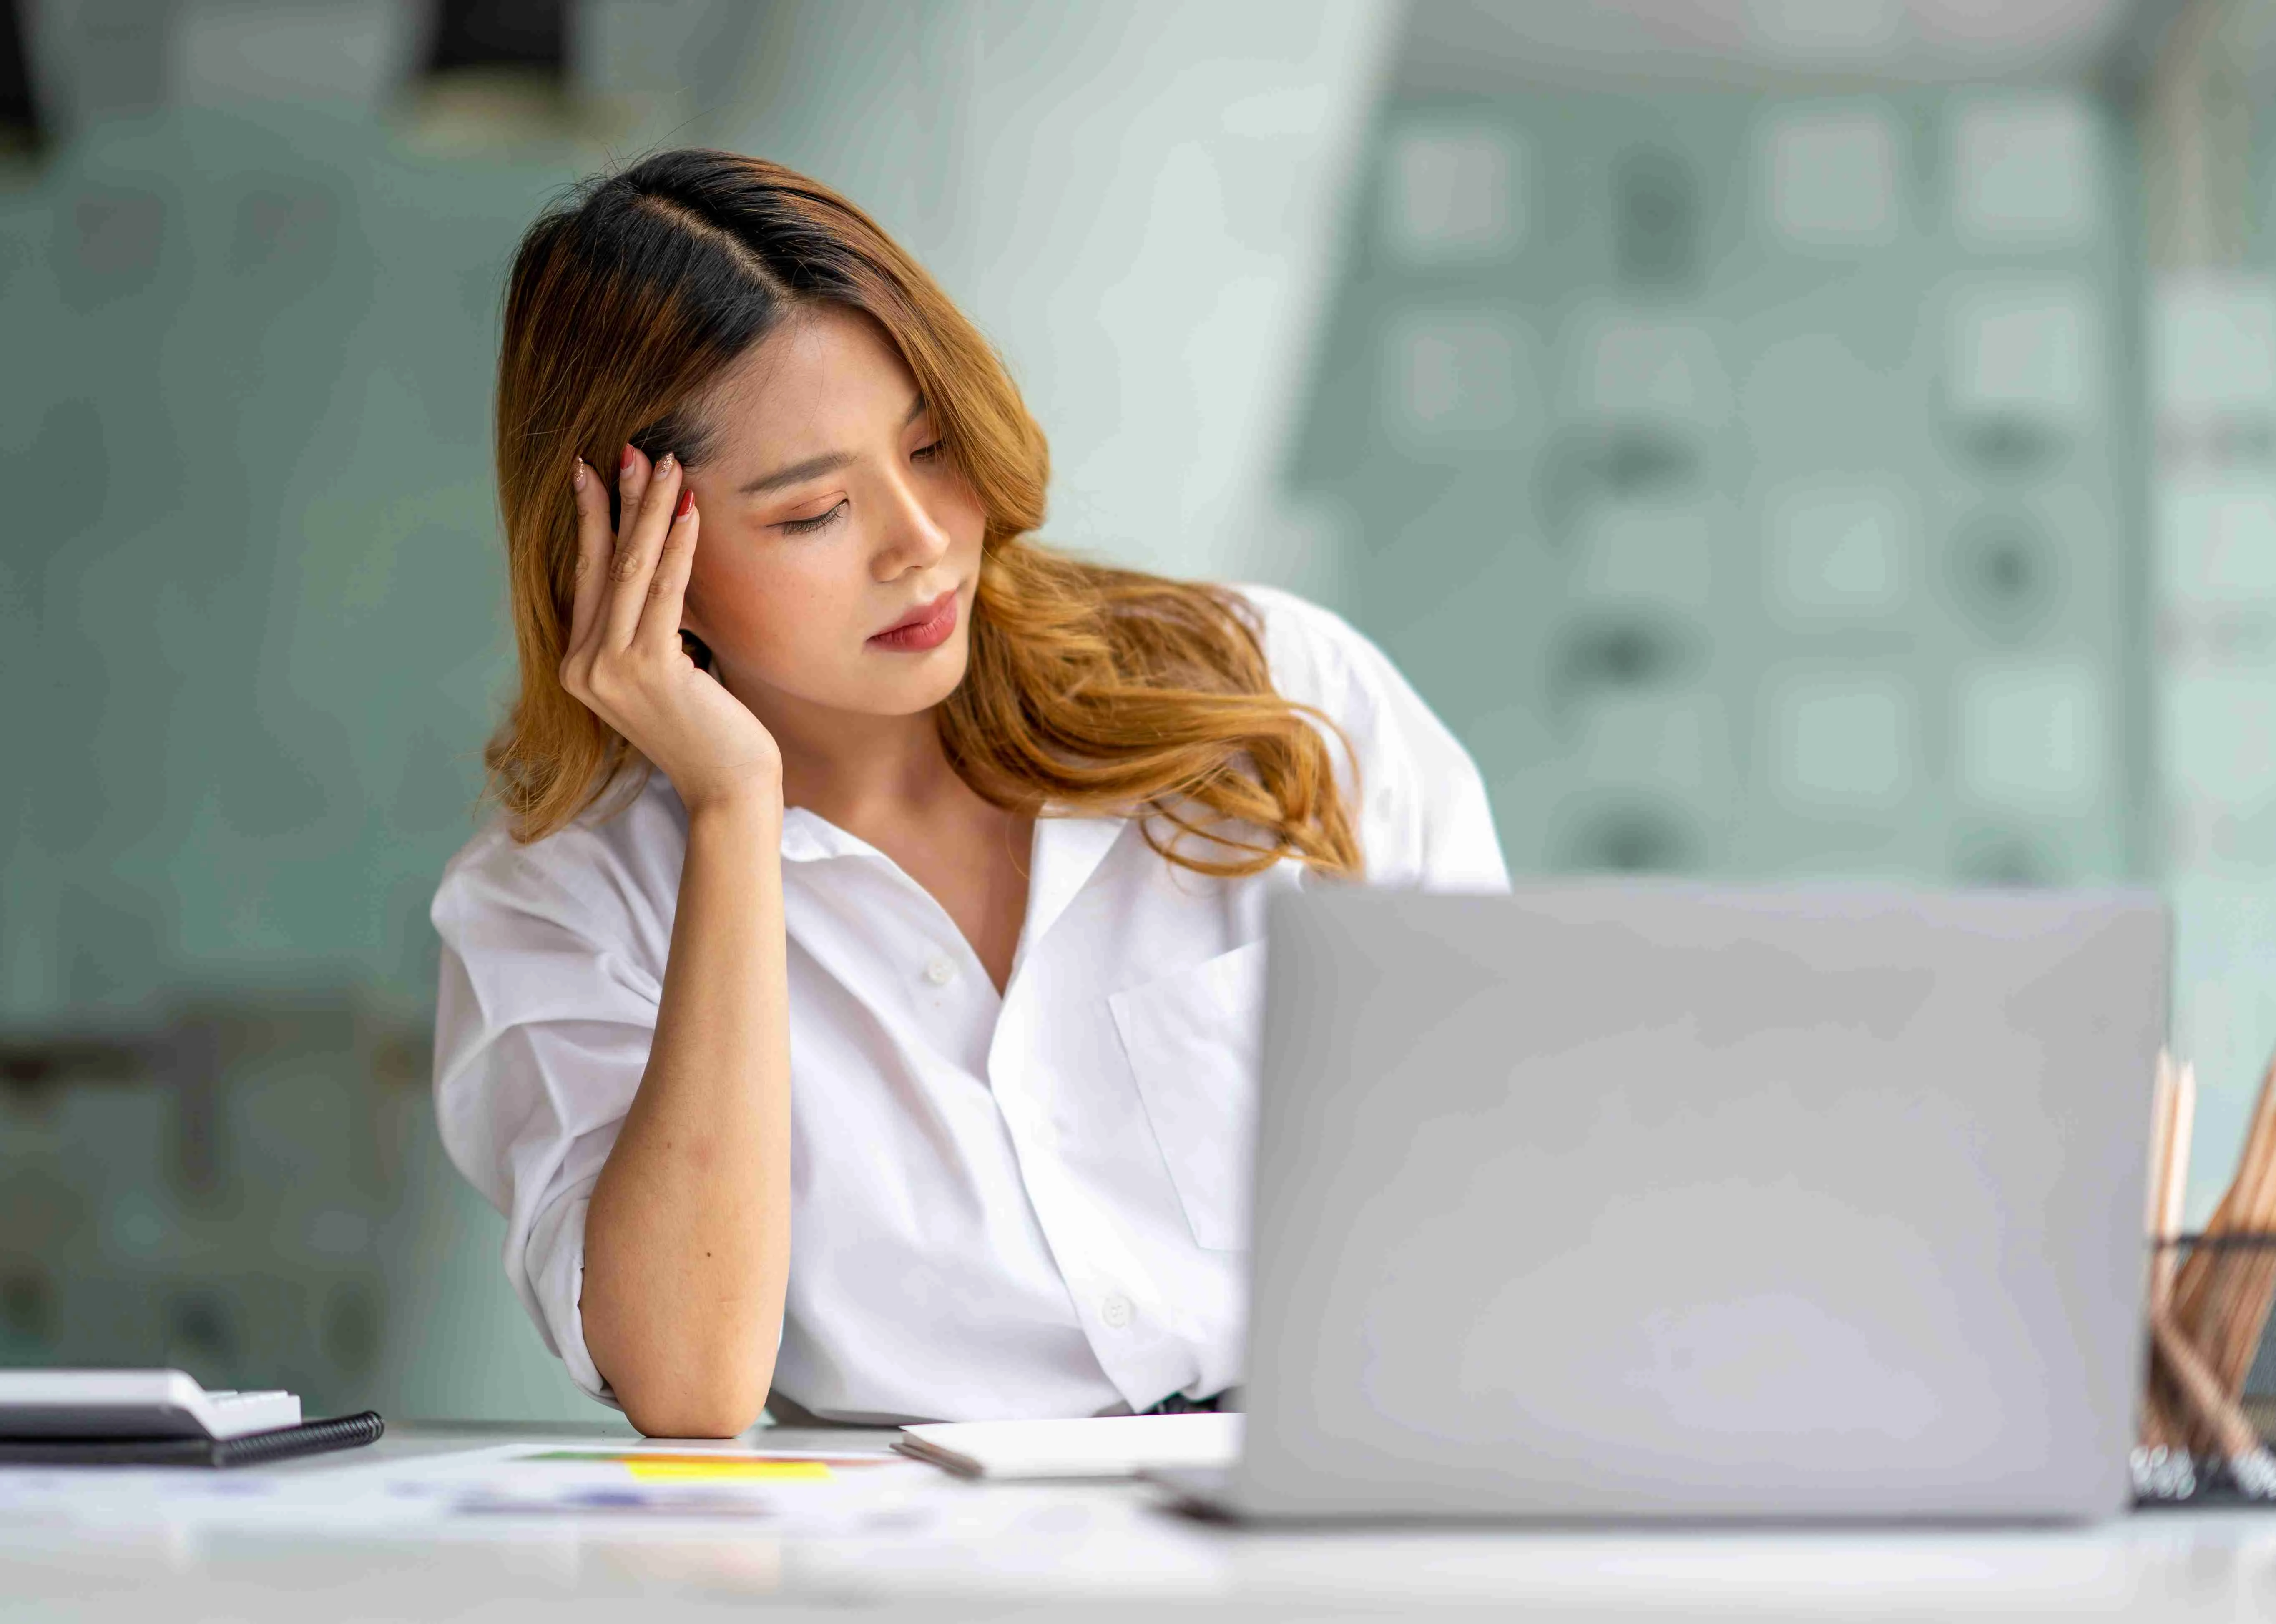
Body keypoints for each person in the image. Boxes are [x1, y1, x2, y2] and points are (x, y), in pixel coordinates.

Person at [430, 148, 1507, 1438]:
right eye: (814, 511)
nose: (921, 538)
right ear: (626, 552)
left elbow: (1515, 1177)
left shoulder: (1277, 692)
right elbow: (691, 1381)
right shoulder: (558, 906)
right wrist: (733, 812)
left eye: (933, 445)